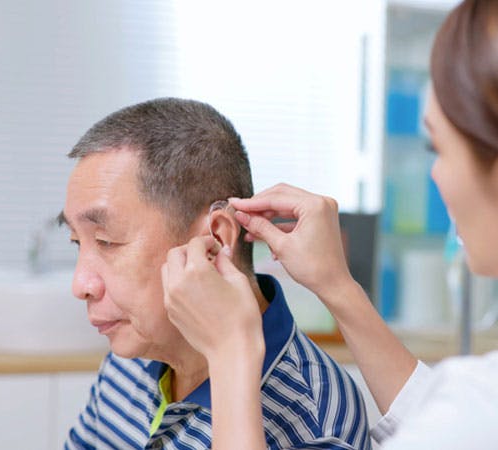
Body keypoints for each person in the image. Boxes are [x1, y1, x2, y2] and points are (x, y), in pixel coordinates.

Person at [162, 0, 498, 448]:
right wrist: (337, 287)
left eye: (439, 147)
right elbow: (445, 415)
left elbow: (467, 425)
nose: (433, 174)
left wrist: (230, 353)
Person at [60, 98, 371, 449]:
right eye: (77, 242)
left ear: (217, 239)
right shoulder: (130, 358)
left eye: (106, 241)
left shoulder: (313, 418)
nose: (80, 285)